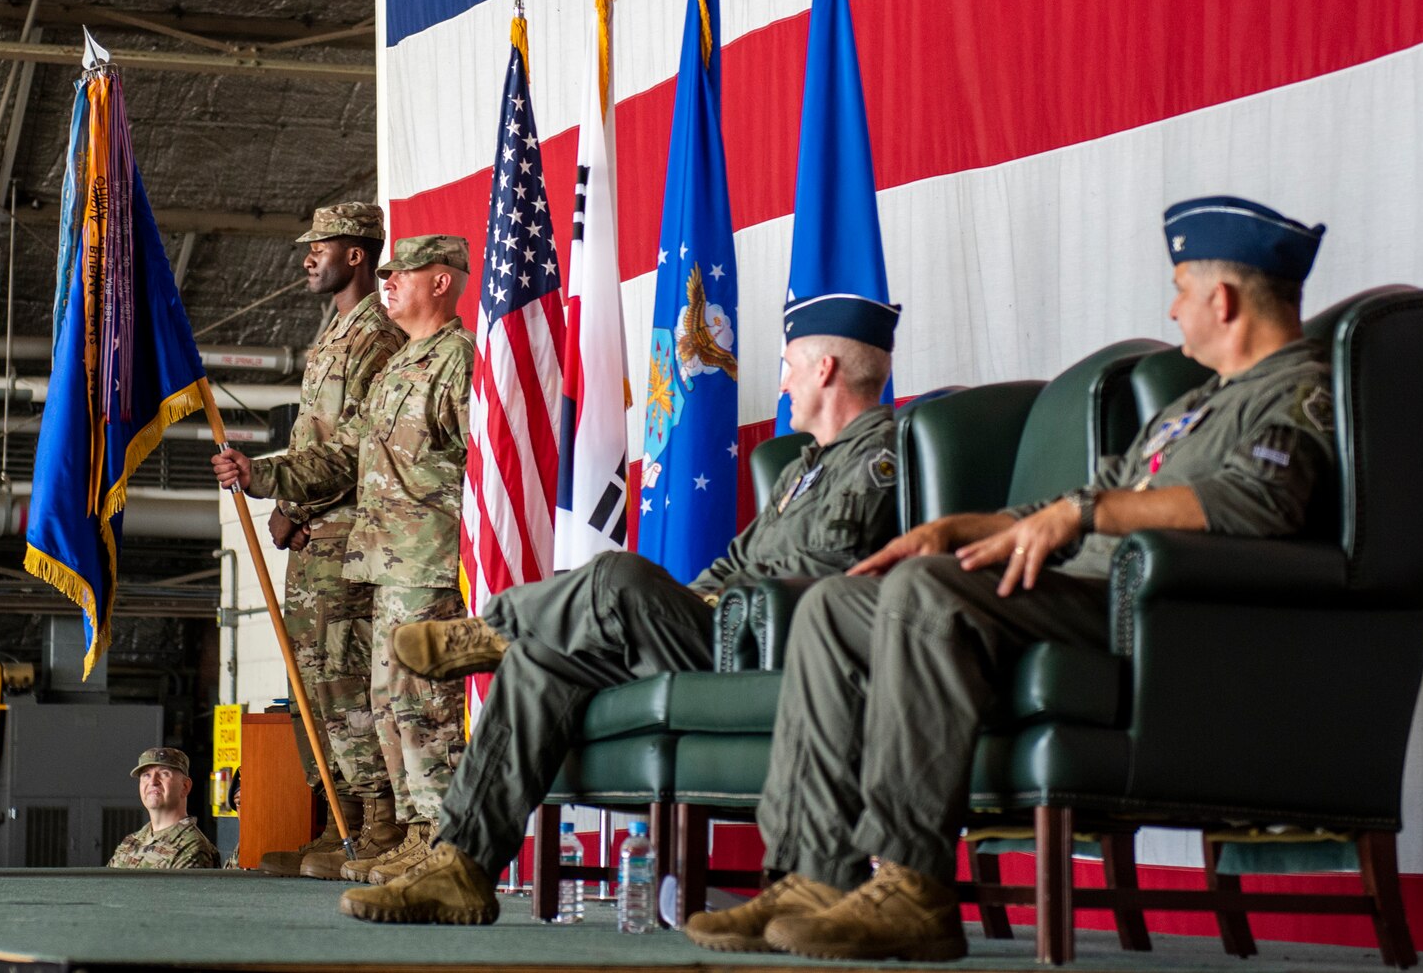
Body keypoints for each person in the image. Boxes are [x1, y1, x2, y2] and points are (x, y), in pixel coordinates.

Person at [686, 196, 1334, 960]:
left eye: (1182, 288)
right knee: (834, 605)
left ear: (1221, 300)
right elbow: (1077, 502)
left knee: (924, 593)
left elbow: (1256, 505)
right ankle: (815, 873)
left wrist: (1084, 515)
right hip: (1079, 587)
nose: (1174, 306)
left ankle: (912, 884)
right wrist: (965, 527)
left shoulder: (1295, 391)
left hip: (1145, 609)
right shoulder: (1192, 408)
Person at [333, 292, 907, 925]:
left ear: (825, 369)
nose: (784, 381)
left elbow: (827, 574)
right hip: (723, 632)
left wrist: (702, 600)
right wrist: (690, 600)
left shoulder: (882, 459)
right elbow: (733, 564)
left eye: (791, 365)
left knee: (614, 574)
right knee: (539, 662)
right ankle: (462, 865)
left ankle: (490, 629)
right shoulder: (802, 471)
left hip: (773, 650)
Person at [212, 235, 474, 887]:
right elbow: (342, 456)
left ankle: (448, 840)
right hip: (384, 567)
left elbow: (487, 470)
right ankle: (415, 834)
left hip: (432, 562)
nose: (387, 281)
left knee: (429, 706)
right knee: (390, 705)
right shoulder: (396, 371)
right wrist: (260, 472)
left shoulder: (458, 362)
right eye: (382, 273)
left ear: (440, 282)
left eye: (400, 273)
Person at [258, 203, 409, 879]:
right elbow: (314, 436)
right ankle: (337, 821)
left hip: (347, 537)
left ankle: (378, 823)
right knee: (310, 685)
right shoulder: (332, 335)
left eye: (318, 247)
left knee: (346, 680)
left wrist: (279, 488)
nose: (306, 258)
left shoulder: (376, 337)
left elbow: (353, 450)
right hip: (313, 537)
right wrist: (292, 505)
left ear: (356, 254)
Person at [108, 747, 221, 869]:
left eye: (164, 773)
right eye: (146, 775)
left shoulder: (192, 848)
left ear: (185, 786)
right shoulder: (130, 842)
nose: (153, 781)